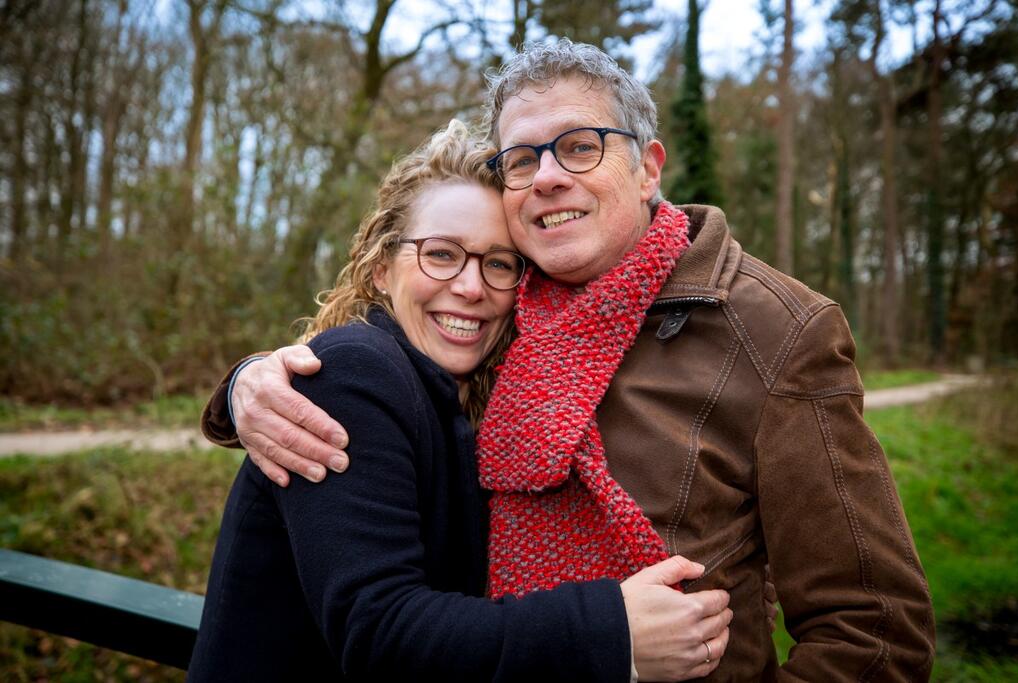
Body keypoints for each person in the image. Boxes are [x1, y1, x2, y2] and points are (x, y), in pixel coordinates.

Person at [202, 41, 936, 678]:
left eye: (580, 146)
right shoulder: (505, 318)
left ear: (648, 167)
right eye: (521, 159)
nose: (548, 175)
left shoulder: (774, 330)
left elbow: (873, 630)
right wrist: (249, 386)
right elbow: (375, 367)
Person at [188, 121, 733, 682]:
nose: (472, 287)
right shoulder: (354, 372)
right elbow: (379, 632)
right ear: (381, 268)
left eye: (498, 264)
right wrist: (616, 635)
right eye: (442, 254)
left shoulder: (478, 405)